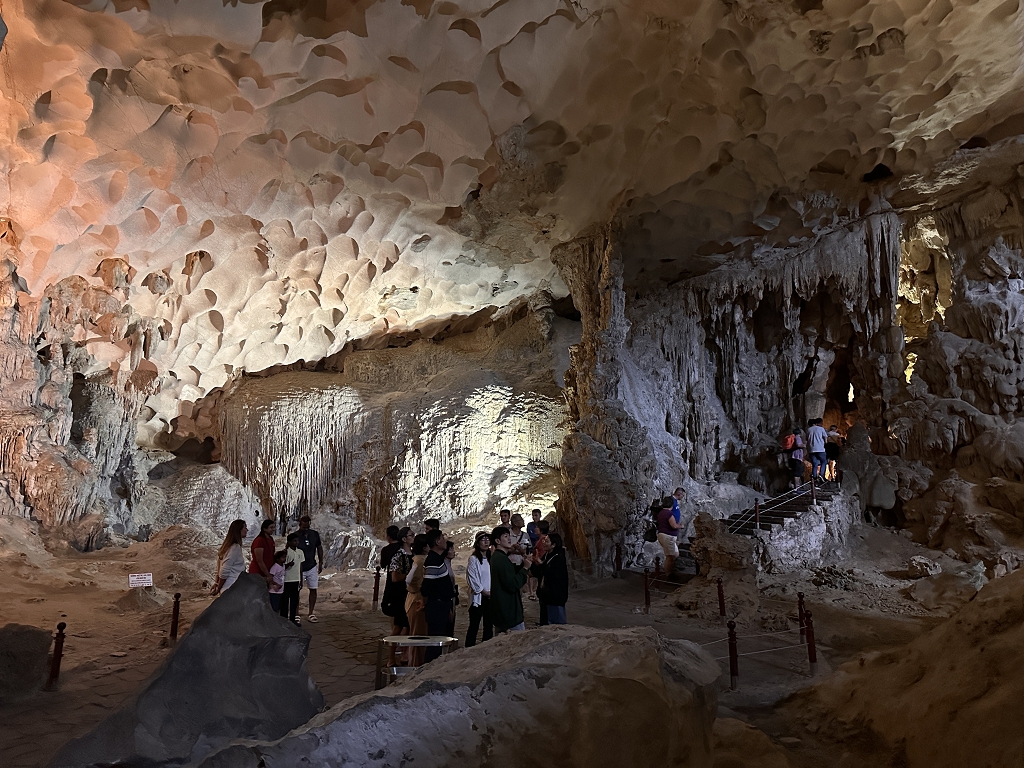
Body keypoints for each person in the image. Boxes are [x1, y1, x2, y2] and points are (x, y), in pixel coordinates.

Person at [489, 525, 533, 633]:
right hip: (509, 612)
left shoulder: (499, 557)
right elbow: (513, 584)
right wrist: (525, 568)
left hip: (503, 611)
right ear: (498, 541)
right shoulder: (501, 559)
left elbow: (510, 572)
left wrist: (522, 564)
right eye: (505, 536)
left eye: (509, 536)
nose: (509, 539)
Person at [420, 529, 456, 661]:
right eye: (442, 538)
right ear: (437, 541)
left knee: (440, 640)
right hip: (437, 607)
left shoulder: (438, 559)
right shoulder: (433, 561)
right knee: (435, 642)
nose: (445, 540)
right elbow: (426, 587)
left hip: (442, 605)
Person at [384, 527, 414, 662]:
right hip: (400, 595)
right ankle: (391, 658)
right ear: (404, 539)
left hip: (409, 594)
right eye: (411, 535)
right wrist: (410, 576)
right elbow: (395, 577)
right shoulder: (398, 555)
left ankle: (405, 654)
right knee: (398, 627)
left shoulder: (412, 555)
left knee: (408, 626)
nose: (413, 537)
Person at [532, 532, 568, 625]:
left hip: (554, 597)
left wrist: (541, 564)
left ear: (553, 545)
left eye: (546, 541)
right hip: (546, 596)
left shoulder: (558, 558)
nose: (543, 542)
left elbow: (551, 575)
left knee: (556, 625)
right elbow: (539, 572)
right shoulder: (547, 555)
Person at [404, 534, 429, 665]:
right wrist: (415, 588)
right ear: (425, 547)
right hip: (417, 599)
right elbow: (408, 580)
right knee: (418, 634)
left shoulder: (420, 559)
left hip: (415, 597)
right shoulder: (420, 561)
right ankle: (415, 663)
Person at [465, 531, 493, 647]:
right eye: (483, 539)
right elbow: (472, 578)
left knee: (489, 624)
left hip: (490, 595)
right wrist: (483, 591)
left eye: (488, 539)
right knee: (474, 624)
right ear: (477, 543)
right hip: (479, 597)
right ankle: (469, 647)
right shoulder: (474, 559)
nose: (486, 542)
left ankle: (486, 646)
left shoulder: (492, 558)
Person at [296, 515, 324, 623]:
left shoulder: (314, 534)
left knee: (313, 589)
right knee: (297, 591)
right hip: (299, 567)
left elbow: (319, 547)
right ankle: (296, 613)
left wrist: (321, 562)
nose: (305, 529)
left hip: (312, 565)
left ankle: (311, 613)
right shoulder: (295, 535)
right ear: (300, 524)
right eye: (304, 527)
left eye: (307, 527)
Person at [211, 519, 247, 596]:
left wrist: (217, 583)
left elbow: (219, 568)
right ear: (239, 530)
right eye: (245, 527)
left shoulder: (227, 546)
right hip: (232, 587)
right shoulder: (235, 548)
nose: (247, 530)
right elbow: (224, 570)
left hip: (228, 587)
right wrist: (218, 587)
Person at [281, 532, 304, 624]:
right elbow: (281, 567)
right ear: (289, 542)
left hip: (296, 579)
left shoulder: (300, 552)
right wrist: (288, 565)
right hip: (287, 579)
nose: (296, 542)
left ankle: (292, 619)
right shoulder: (286, 552)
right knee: (285, 601)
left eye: (297, 541)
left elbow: (300, 566)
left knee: (294, 601)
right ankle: (284, 620)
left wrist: (301, 580)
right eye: (294, 541)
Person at [532, 521, 550, 625]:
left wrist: (535, 558)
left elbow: (542, 557)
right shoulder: (541, 540)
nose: (535, 529)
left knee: (543, 597)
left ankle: (545, 621)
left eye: (537, 527)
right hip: (540, 568)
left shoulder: (543, 541)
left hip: (541, 570)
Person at [248, 519, 276, 587]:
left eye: (274, 527)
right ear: (264, 529)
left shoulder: (270, 539)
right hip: (258, 571)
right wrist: (267, 574)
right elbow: (259, 560)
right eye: (271, 527)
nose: (273, 529)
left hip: (267, 570)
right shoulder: (259, 541)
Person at [656, 497, 680, 574]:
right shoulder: (668, 513)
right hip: (667, 536)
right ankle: (668, 574)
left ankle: (670, 570)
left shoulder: (661, 512)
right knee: (670, 557)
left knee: (675, 554)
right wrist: (681, 526)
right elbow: (674, 525)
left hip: (665, 535)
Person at [807, 419, 829, 483]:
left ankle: (814, 477)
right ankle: (821, 475)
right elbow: (825, 438)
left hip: (811, 449)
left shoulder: (808, 430)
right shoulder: (821, 429)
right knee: (823, 462)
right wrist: (825, 443)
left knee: (815, 464)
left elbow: (807, 439)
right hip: (820, 449)